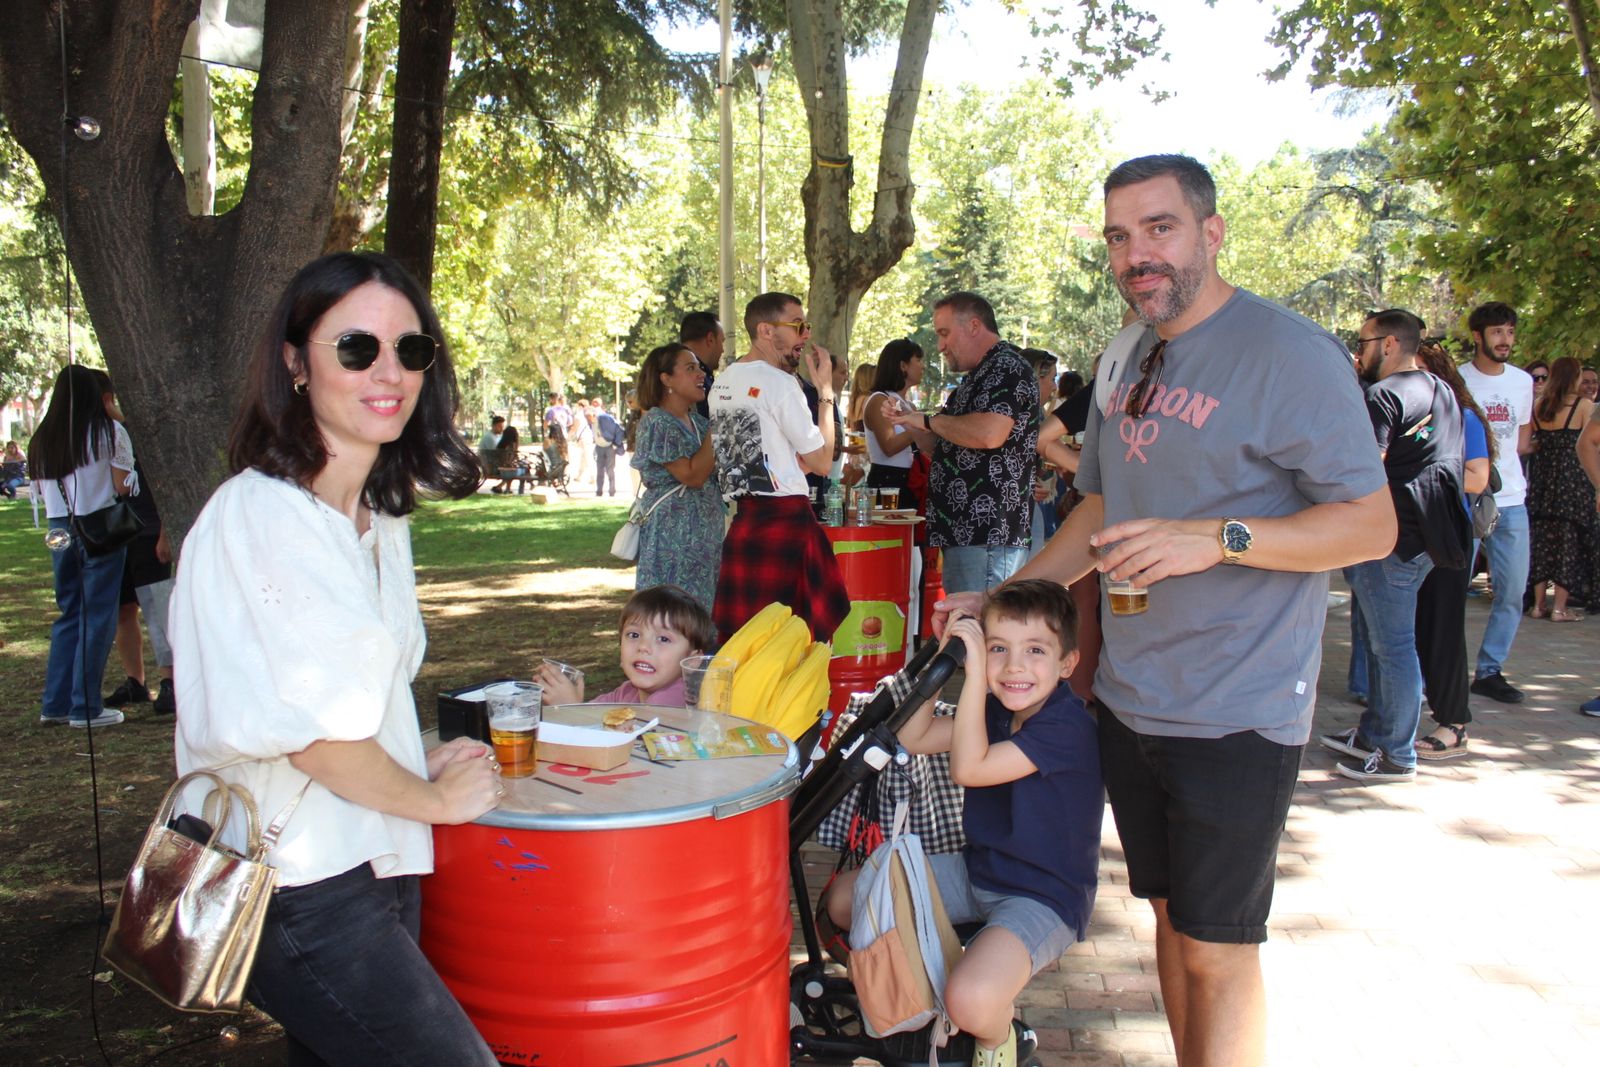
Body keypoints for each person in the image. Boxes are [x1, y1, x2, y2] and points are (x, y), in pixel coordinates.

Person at [937, 155, 1393, 1066]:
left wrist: (1216, 538)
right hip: (1131, 696)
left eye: (1159, 228)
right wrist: (1010, 592)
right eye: (1118, 235)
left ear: (1211, 232)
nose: (1136, 253)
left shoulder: (1288, 352)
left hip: (1241, 702)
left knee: (1220, 947)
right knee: (1172, 924)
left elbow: (1371, 525)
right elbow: (1098, 510)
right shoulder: (1125, 355)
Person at [169, 251, 500, 1066]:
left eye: (410, 350)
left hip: (371, 858)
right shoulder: (264, 516)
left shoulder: (376, 517)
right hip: (300, 886)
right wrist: (436, 799)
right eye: (357, 348)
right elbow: (313, 737)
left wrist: (409, 759)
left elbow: (340, 708)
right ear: (295, 362)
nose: (388, 371)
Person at [824, 580, 1100, 1067]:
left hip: (1041, 896)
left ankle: (1000, 1040)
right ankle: (941, 982)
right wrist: (941, 660)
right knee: (847, 898)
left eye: (1035, 650)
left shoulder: (1067, 727)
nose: (1014, 667)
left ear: (1067, 664)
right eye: (998, 650)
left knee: (970, 1002)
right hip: (979, 872)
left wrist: (973, 678)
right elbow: (917, 735)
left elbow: (968, 769)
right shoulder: (996, 708)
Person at [1319, 310, 1465, 783]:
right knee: (1390, 645)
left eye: (1360, 343)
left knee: (1393, 648)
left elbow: (1365, 470)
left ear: (1387, 344)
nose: (1357, 353)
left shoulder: (1382, 395)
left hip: (1391, 539)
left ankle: (1397, 753)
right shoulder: (1440, 389)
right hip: (1430, 535)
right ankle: (1377, 733)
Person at [708, 292, 849, 641]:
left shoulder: (723, 382)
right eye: (797, 325)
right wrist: (826, 393)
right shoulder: (781, 383)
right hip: (786, 525)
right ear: (766, 330)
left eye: (806, 326)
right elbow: (820, 462)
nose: (805, 335)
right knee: (793, 645)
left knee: (745, 644)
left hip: (744, 526)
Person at [888, 292, 1039, 594]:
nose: (940, 345)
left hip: (988, 533)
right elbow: (941, 446)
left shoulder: (1006, 367)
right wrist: (910, 420)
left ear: (973, 326)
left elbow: (988, 434)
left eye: (944, 333)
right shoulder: (975, 378)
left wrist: (927, 420)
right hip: (965, 533)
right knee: (966, 628)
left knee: (981, 631)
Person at [32, 364, 136, 728]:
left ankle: (55, 702)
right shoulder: (109, 432)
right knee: (97, 616)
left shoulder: (43, 438)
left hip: (58, 529)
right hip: (99, 527)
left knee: (69, 613)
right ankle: (85, 706)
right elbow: (123, 486)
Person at [1408, 342, 1494, 759]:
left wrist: (1423, 467)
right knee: (1413, 630)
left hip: (1446, 536)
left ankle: (1454, 723)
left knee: (1441, 629)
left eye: (1420, 372)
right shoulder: (1404, 415)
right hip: (1412, 534)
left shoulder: (1466, 418)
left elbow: (1478, 477)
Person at [1458, 302, 1535, 703]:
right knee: (1451, 586)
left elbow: (1520, 441)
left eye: (1509, 331)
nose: (1505, 339)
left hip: (1512, 500)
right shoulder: (1458, 380)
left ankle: (1489, 671)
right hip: (1468, 497)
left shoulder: (1523, 382)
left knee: (1511, 591)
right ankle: (1445, 666)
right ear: (1478, 336)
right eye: (1497, 332)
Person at [628, 343, 724, 614]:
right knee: (669, 616)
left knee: (699, 619)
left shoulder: (700, 424)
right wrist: (719, 425)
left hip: (705, 541)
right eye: (690, 368)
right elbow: (691, 475)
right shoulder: (658, 422)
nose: (701, 375)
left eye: (700, 368)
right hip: (672, 540)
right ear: (666, 379)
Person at [535, 584, 715, 708]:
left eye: (663, 639)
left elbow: (624, 745)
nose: (643, 647)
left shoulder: (674, 700)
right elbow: (594, 718)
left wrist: (570, 709)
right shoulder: (627, 692)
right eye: (634, 635)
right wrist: (572, 704)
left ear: (692, 661)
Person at [1526, 356, 1597, 620]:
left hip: (1543, 480)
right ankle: (1560, 608)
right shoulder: (1583, 406)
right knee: (1569, 541)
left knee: (1542, 542)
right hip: (1572, 482)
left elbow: (1530, 442)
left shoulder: (1539, 405)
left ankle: (1538, 604)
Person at [862, 339, 925, 508]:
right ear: (903, 366)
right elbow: (889, 446)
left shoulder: (909, 405)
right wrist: (918, 426)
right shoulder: (879, 399)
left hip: (910, 479)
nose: (923, 366)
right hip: (886, 480)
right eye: (918, 360)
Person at [680, 311, 726, 420]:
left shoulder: (674, 372)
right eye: (722, 342)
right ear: (710, 339)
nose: (723, 349)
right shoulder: (694, 380)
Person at [592, 398, 624, 497]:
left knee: (609, 470)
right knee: (600, 470)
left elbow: (616, 429)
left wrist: (616, 443)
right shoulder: (595, 421)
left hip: (609, 447)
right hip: (599, 447)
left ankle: (611, 490)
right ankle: (599, 491)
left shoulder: (604, 418)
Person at [491, 423, 526, 494]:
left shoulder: (501, 444)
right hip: (506, 470)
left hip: (497, 469)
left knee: (511, 470)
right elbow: (510, 462)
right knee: (524, 469)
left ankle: (505, 488)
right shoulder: (511, 445)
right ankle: (503, 487)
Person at [568, 398, 595, 485]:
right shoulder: (591, 414)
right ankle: (579, 475)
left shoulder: (578, 415)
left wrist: (568, 436)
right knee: (584, 457)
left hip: (583, 438)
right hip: (589, 437)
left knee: (587, 457)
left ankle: (593, 476)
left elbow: (575, 428)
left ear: (580, 406)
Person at [476, 414, 504, 480]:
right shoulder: (489, 437)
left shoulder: (498, 436)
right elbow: (496, 453)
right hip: (488, 466)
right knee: (511, 470)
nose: (502, 428)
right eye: (499, 426)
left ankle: (503, 487)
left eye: (502, 426)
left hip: (493, 463)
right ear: (493, 426)